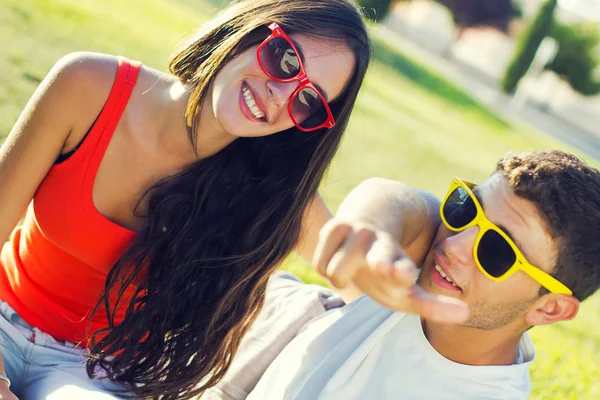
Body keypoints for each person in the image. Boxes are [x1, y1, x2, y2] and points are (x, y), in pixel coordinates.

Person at [0, 0, 371, 398]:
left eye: (309, 101)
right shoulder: (87, 86)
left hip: (92, 372)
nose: (282, 98)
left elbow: (367, 289)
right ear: (249, 29)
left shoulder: (274, 196)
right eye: (285, 62)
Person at [211, 150, 600, 400]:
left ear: (550, 309)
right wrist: (369, 232)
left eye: (497, 251)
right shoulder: (424, 261)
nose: (454, 245)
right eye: (466, 208)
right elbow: (394, 201)